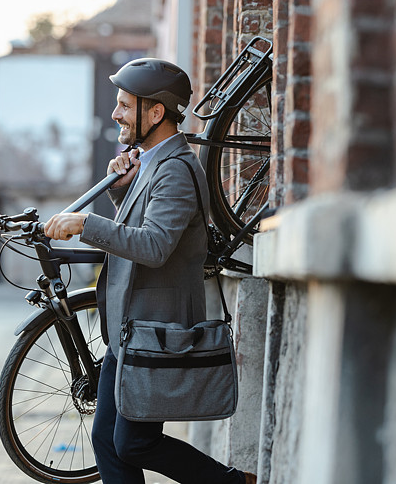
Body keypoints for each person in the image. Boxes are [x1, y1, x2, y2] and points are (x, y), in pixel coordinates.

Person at [43, 58, 256, 484]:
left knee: (134, 443)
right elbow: (145, 232)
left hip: (156, 333)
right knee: (107, 440)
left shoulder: (175, 169)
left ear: (155, 112)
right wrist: (120, 195)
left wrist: (87, 223)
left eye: (124, 105)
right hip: (131, 330)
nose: (115, 113)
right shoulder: (152, 161)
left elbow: (155, 247)